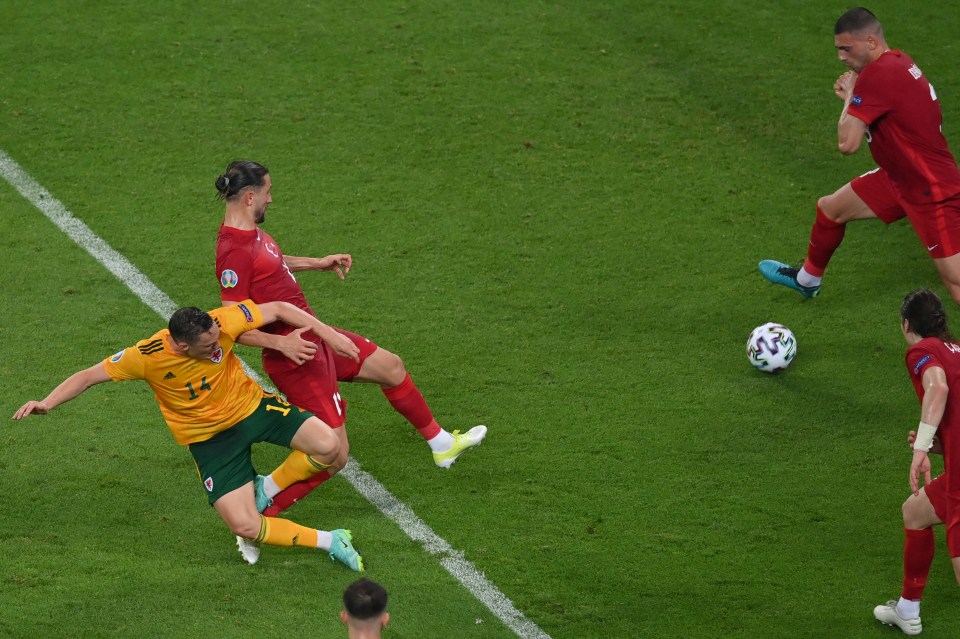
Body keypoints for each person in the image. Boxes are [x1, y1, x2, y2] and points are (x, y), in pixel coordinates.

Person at [213, 160, 487, 518]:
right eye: (268, 192)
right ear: (250, 197)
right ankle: (261, 510)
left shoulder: (251, 234)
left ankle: (442, 445)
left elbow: (272, 261)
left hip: (314, 335)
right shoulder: (233, 249)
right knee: (335, 454)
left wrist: (317, 262)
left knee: (391, 367)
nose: (271, 199)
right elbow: (227, 325)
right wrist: (282, 344)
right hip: (297, 354)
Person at [12, 299, 365, 572]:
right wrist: (48, 402)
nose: (218, 346)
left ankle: (266, 488)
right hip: (211, 441)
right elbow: (88, 375)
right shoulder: (145, 356)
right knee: (244, 525)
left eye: (217, 338)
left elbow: (280, 308)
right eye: (208, 344)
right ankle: (331, 541)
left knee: (329, 446)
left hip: (252, 408)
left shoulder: (222, 321)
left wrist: (327, 332)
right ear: (181, 346)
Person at [759, 8, 960, 303]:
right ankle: (807, 280)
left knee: (955, 285)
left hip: (930, 191)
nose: (841, 56)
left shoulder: (878, 75)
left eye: (846, 48)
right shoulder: (897, 62)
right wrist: (856, 98)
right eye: (838, 49)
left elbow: (847, 143)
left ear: (870, 41)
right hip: (899, 177)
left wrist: (852, 96)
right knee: (831, 210)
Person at [873, 289, 960, 635]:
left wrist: (922, 448)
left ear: (907, 324)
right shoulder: (956, 350)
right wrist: (944, 446)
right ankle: (908, 610)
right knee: (915, 512)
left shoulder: (922, 351)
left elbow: (937, 389)